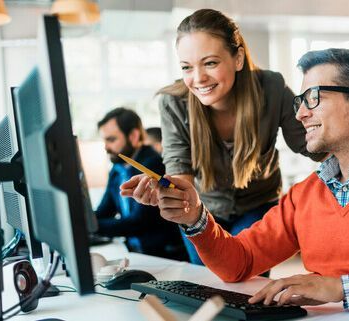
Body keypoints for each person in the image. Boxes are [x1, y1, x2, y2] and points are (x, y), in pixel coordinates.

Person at [123, 48, 349, 313]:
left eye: (314, 97)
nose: (300, 113)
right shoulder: (306, 195)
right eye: (300, 100)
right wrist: (195, 217)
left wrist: (340, 287)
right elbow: (239, 263)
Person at [126, 9, 323, 265]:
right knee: (209, 284)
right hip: (201, 210)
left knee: (247, 285)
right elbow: (179, 171)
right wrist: (166, 191)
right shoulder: (173, 102)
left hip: (258, 206)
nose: (198, 79)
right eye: (187, 67)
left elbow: (312, 145)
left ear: (238, 58)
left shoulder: (271, 88)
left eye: (210, 63)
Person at [96, 107, 187, 261]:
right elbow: (105, 211)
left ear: (133, 136)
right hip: (136, 253)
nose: (106, 147)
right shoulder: (117, 169)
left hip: (163, 256)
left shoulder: (152, 164)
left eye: (111, 140)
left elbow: (138, 222)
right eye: (104, 140)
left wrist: (90, 228)